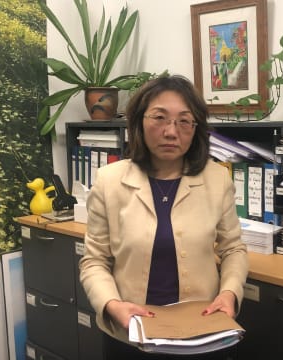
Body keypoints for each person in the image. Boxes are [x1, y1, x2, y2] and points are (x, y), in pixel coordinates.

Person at [79, 75, 249, 359]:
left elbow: (233, 249)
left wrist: (229, 293)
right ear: (138, 123)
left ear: (196, 129)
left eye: (184, 121)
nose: (172, 132)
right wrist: (111, 304)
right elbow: (94, 261)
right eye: (159, 118)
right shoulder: (109, 181)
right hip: (131, 333)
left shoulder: (217, 179)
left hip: (201, 332)